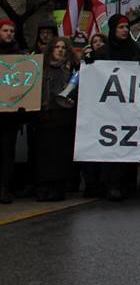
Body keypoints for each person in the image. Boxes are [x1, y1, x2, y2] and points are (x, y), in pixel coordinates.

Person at [90, 15, 140, 201]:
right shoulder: (103, 52)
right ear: (113, 29)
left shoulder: (137, 49)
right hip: (109, 108)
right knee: (111, 146)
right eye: (121, 27)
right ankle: (110, 184)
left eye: (127, 27)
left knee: (128, 145)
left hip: (130, 107)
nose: (125, 30)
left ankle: (127, 184)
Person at [35, 37, 78, 202]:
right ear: (51, 50)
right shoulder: (42, 69)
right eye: (57, 47)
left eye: (63, 48)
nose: (60, 50)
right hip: (45, 115)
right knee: (44, 153)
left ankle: (58, 186)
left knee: (59, 153)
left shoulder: (72, 69)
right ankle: (44, 185)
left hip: (63, 116)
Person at [0, 19, 23, 204]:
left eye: (12, 31)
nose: (9, 34)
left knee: (7, 152)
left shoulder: (20, 56)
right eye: (5, 30)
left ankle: (4, 187)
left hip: (9, 116)